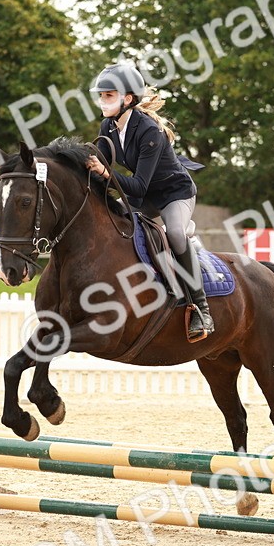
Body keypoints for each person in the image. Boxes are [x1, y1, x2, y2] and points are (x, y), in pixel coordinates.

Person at [83, 62, 213, 342]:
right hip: (144, 196)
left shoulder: (148, 131)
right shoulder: (108, 125)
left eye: (108, 95)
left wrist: (106, 173)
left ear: (127, 99)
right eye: (102, 95)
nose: (102, 100)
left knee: (176, 233)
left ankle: (200, 308)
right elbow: (106, 171)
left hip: (173, 193)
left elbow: (137, 184)